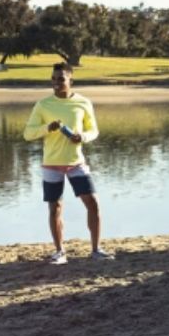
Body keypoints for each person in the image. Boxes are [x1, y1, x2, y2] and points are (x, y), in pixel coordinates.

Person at [23, 63, 108, 264]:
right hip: (51, 164)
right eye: (53, 78)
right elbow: (28, 134)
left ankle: (96, 249)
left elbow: (93, 131)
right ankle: (60, 252)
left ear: (71, 81)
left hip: (76, 162)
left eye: (60, 79)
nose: (56, 83)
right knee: (55, 208)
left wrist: (82, 137)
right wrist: (47, 128)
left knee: (93, 204)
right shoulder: (43, 105)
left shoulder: (83, 103)